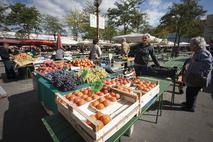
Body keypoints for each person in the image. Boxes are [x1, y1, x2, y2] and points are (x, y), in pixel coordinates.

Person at [181, 37, 213, 112]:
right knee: (190, 91)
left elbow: (208, 66)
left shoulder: (203, 53)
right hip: (194, 77)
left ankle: (190, 107)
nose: (190, 46)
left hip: (197, 77)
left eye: (191, 44)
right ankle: (188, 103)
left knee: (192, 92)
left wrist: (201, 75)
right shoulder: (198, 52)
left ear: (196, 45)